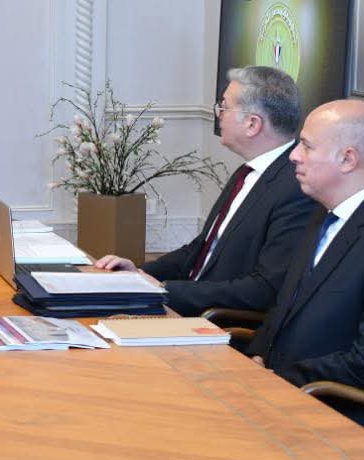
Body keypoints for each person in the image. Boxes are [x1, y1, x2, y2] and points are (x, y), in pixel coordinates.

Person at [247, 99, 364, 455]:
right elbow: (285, 309)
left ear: (348, 159)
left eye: (306, 146)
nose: (293, 156)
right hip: (287, 400)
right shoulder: (324, 215)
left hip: (345, 423)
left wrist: (279, 379)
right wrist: (255, 358)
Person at [94, 66, 318, 315]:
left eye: (224, 107)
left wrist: (165, 290)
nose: (218, 114)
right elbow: (201, 248)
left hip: (213, 320)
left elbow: (263, 289)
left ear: (252, 124)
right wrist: (140, 274)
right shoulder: (248, 172)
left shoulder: (295, 190)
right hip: (186, 303)